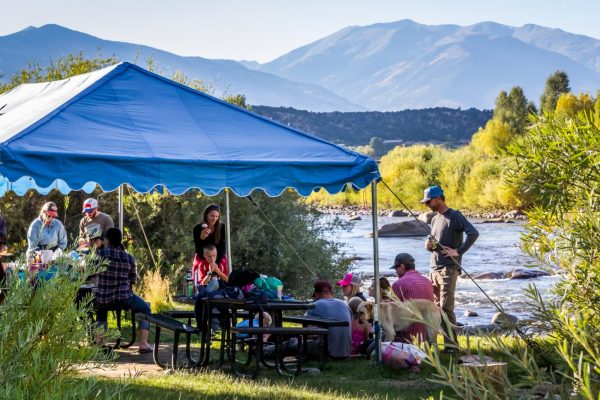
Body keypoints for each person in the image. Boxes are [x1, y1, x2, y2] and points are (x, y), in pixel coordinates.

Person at [422, 185, 479, 347]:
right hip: (433, 268)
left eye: (428, 201)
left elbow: (473, 233)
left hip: (448, 268)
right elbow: (433, 241)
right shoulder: (434, 218)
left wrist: (458, 251)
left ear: (439, 198)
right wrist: (428, 245)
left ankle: (452, 346)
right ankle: (434, 343)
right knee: (435, 309)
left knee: (446, 307)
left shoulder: (455, 216)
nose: (426, 204)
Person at [95, 228, 151, 353]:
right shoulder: (129, 258)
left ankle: (100, 343)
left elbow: (90, 272)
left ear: (107, 240)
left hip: (104, 298)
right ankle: (143, 343)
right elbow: (132, 281)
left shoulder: (100, 255)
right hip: (125, 298)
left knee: (101, 312)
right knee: (146, 309)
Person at [390, 252, 435, 343]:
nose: (395, 271)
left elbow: (390, 314)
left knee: (370, 348)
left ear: (402, 266)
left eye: (396, 268)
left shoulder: (398, 284)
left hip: (405, 338)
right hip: (425, 336)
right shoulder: (427, 282)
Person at [307, 281, 352, 359]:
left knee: (293, 343)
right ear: (330, 292)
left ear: (316, 293)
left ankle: (279, 356)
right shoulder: (344, 304)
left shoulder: (314, 305)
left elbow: (308, 333)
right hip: (346, 353)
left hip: (327, 353)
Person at [192, 204, 227, 286]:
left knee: (223, 266)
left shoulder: (222, 227)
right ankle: (202, 287)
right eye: (212, 216)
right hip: (203, 256)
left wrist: (216, 262)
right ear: (206, 215)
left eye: (216, 216)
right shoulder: (197, 228)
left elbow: (222, 248)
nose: (214, 218)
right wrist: (202, 238)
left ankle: (224, 286)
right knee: (201, 266)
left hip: (218, 256)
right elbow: (198, 250)